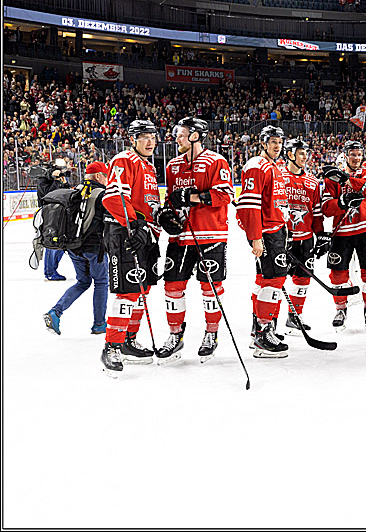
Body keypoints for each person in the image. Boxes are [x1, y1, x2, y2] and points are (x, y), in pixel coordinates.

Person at [152, 117, 234, 363]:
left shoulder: (216, 161)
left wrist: (193, 196)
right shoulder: (173, 166)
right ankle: (175, 335)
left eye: (181, 133)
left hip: (211, 235)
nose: (176, 137)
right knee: (172, 287)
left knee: (210, 289)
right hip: (180, 237)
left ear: (196, 135)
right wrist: (166, 215)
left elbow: (225, 194)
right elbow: (170, 200)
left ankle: (211, 334)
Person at [99, 120, 163, 377]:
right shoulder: (124, 159)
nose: (150, 142)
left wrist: (160, 219)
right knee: (127, 292)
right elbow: (113, 197)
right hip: (124, 232)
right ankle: (111, 346)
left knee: (141, 290)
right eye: (144, 137)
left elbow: (148, 204)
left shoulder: (149, 166)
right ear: (133, 139)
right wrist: (134, 224)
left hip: (143, 234)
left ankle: (128, 339)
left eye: (153, 137)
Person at [236, 125, 290, 358]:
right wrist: (256, 237)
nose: (277, 146)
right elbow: (248, 205)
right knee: (273, 280)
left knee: (264, 280)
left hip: (275, 231)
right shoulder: (257, 165)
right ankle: (263, 334)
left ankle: (258, 330)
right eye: (273, 142)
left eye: (279, 142)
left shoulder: (274, 167)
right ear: (263, 144)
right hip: (266, 233)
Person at [321, 140, 366, 332]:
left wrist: (346, 180)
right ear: (346, 155)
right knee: (338, 275)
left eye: (359, 154)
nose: (356, 158)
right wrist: (341, 202)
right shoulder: (332, 179)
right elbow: (325, 208)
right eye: (352, 154)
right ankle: (340, 310)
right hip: (342, 232)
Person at [43, 161, 109, 336]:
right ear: (98, 176)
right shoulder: (102, 194)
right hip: (95, 248)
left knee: (83, 282)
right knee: (101, 282)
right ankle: (99, 324)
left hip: (74, 247)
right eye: (105, 176)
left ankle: (55, 312)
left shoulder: (75, 191)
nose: (107, 179)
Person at [281, 138, 327, 334]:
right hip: (281, 239)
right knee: (275, 281)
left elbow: (316, 213)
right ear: (290, 154)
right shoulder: (279, 177)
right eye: (301, 153)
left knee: (303, 279)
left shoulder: (312, 182)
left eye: (306, 153)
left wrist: (321, 235)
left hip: (305, 239)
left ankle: (294, 316)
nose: (305, 157)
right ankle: (268, 324)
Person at [38, 157, 71, 280]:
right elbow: (48, 195)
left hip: (61, 212)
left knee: (62, 243)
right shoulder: (43, 179)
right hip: (49, 212)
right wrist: (56, 181)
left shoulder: (58, 179)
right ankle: (49, 272)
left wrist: (65, 183)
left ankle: (53, 269)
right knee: (51, 241)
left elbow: (66, 193)